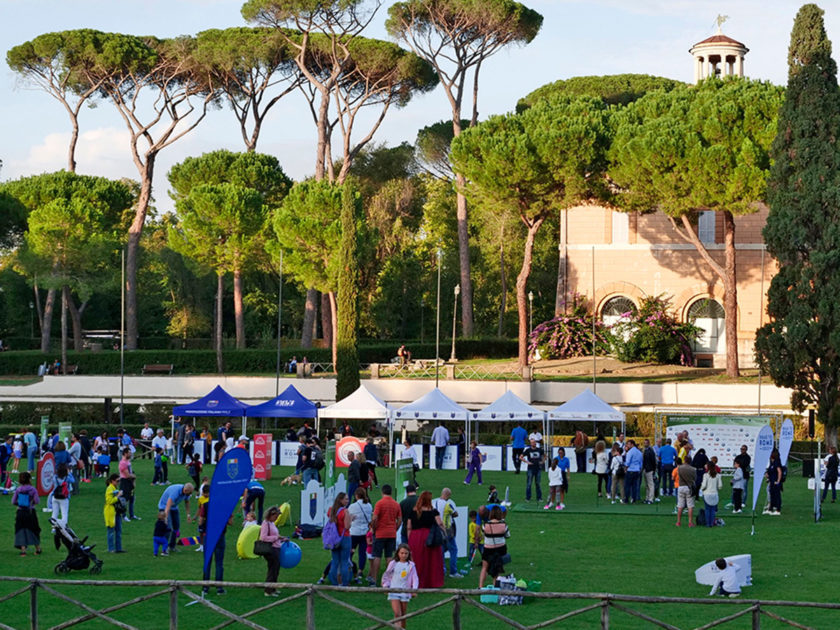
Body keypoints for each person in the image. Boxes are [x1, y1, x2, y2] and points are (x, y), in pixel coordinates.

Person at [406, 490, 445, 588]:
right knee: (431, 561)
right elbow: (440, 523)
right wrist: (444, 532)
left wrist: (409, 538)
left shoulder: (413, 511)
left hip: (415, 537)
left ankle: (416, 581)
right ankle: (431, 582)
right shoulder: (433, 511)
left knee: (417, 560)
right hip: (429, 537)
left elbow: (409, 527)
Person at [369, 484, 402, 585]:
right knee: (389, 557)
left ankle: (374, 580)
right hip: (391, 533)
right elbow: (400, 520)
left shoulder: (379, 503)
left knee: (377, 556)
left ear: (382, 492)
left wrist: (374, 528)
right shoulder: (396, 504)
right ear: (391, 492)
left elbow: (374, 518)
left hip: (380, 533)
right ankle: (390, 580)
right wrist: (395, 528)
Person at [381, 544, 419, 630]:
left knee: (403, 615)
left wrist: (414, 590)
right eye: (402, 553)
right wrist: (386, 586)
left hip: (405, 592)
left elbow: (415, 578)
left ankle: (403, 628)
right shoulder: (393, 563)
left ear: (409, 554)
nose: (404, 555)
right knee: (397, 614)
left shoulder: (411, 565)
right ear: (398, 553)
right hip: (394, 591)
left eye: (406, 553)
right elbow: (386, 575)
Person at [478, 506, 509, 589]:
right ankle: (495, 586)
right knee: (497, 568)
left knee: (484, 567)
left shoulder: (485, 525)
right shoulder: (503, 524)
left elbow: (484, 534)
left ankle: (480, 586)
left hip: (488, 548)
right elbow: (507, 535)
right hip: (500, 548)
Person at [434, 488, 461, 580]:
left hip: (438, 529)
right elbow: (456, 514)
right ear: (448, 495)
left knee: (441, 551)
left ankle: (443, 569)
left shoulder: (435, 502)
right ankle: (453, 571)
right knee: (453, 550)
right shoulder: (448, 504)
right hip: (448, 529)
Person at [260, 505, 287, 596]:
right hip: (271, 549)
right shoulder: (266, 523)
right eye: (276, 516)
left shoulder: (272, 524)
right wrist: (276, 537)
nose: (277, 517)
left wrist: (282, 539)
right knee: (272, 569)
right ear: (271, 515)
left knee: (276, 569)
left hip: (276, 548)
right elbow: (263, 537)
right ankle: (268, 590)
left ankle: (273, 588)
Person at [12, 471, 41, 556]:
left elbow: (13, 501)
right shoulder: (33, 489)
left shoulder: (18, 489)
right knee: (34, 530)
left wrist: (20, 504)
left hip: (20, 512)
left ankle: (23, 551)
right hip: (30, 512)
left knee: (21, 530)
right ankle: (37, 549)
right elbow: (37, 501)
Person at [158, 482, 194, 550]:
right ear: (185, 490)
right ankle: (164, 547)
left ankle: (172, 546)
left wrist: (188, 515)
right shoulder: (175, 492)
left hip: (174, 507)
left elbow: (187, 502)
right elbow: (168, 504)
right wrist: (165, 517)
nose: (190, 494)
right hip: (164, 507)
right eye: (190, 493)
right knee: (168, 528)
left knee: (176, 528)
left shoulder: (187, 493)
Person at [348, 487, 373, 583]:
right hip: (364, 532)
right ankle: (360, 570)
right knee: (362, 553)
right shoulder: (369, 506)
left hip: (354, 532)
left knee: (350, 552)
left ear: (356, 495)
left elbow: (349, 518)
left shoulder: (352, 506)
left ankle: (349, 567)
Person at [327, 493, 353, 586]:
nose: (347, 501)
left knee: (335, 561)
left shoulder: (331, 510)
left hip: (334, 538)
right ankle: (344, 583)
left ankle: (334, 583)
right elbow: (347, 526)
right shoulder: (345, 511)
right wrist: (350, 519)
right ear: (340, 500)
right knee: (344, 562)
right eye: (346, 499)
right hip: (345, 537)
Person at [103, 473, 124, 553]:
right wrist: (118, 496)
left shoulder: (114, 487)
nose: (118, 483)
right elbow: (109, 501)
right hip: (111, 512)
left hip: (117, 512)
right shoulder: (109, 489)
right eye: (117, 481)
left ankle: (119, 548)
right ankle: (111, 549)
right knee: (111, 531)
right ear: (112, 481)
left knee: (119, 530)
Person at [520, 438, 545, 503]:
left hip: (538, 468)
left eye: (534, 442)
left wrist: (542, 461)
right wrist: (527, 462)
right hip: (530, 469)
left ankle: (539, 498)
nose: (534, 443)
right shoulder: (528, 450)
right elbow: (521, 457)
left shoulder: (540, 450)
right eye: (532, 442)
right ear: (530, 443)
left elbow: (545, 456)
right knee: (529, 484)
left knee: (538, 484)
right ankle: (528, 498)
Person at [119, 447, 139, 522]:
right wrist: (134, 476)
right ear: (125, 453)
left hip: (130, 482)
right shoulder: (123, 463)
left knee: (132, 498)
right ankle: (124, 516)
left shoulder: (128, 461)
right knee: (124, 499)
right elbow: (127, 475)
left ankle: (132, 515)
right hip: (125, 482)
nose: (130, 454)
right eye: (129, 453)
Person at [676, 455, 696, 527]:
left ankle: (678, 522)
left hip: (681, 486)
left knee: (680, 505)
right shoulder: (693, 469)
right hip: (689, 487)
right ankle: (690, 522)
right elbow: (694, 479)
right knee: (690, 506)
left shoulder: (680, 468)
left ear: (684, 460)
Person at [52, 463, 71, 529]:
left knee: (55, 513)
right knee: (64, 513)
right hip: (64, 497)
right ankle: (64, 527)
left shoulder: (55, 477)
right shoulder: (67, 478)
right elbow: (73, 480)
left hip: (55, 496)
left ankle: (54, 527)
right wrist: (69, 473)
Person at [623, 440, 642, 504]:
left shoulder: (630, 452)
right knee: (635, 486)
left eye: (628, 444)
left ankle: (626, 499)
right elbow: (641, 462)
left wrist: (625, 469)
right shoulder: (639, 452)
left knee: (627, 485)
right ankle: (634, 499)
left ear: (632, 444)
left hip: (630, 470)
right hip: (637, 470)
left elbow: (627, 462)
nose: (627, 446)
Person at [765, 448, 783, 515]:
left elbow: (779, 472)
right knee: (771, 494)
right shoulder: (772, 462)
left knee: (777, 495)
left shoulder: (777, 462)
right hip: (771, 481)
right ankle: (770, 508)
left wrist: (778, 481)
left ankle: (778, 510)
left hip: (776, 481)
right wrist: (767, 475)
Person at [642, 439, 658, 504]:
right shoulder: (645, 450)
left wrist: (654, 470)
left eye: (646, 443)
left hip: (649, 469)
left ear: (648, 443)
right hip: (646, 469)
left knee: (651, 484)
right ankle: (647, 497)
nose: (645, 444)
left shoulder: (650, 451)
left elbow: (653, 461)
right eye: (644, 443)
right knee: (647, 485)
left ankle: (651, 499)